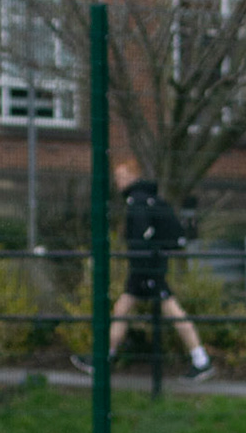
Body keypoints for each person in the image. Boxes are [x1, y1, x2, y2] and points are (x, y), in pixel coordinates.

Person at [72, 160, 213, 380]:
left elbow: (141, 237)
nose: (117, 181)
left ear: (132, 176)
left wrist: (145, 261)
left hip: (148, 269)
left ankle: (201, 360)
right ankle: (103, 358)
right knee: (121, 309)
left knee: (172, 311)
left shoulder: (138, 201)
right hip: (144, 268)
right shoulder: (150, 199)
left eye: (121, 176)